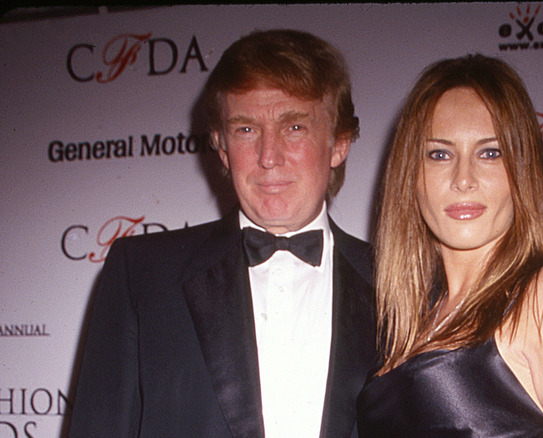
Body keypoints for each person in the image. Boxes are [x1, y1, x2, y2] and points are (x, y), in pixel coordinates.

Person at [68, 29, 376, 438]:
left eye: (294, 127)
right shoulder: (142, 275)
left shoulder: (401, 286)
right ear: (222, 147)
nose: (269, 157)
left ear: (339, 143)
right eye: (246, 130)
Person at [356, 54, 543, 437]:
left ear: (523, 169)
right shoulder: (408, 321)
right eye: (440, 154)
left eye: (490, 153)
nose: (464, 179)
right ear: (409, 174)